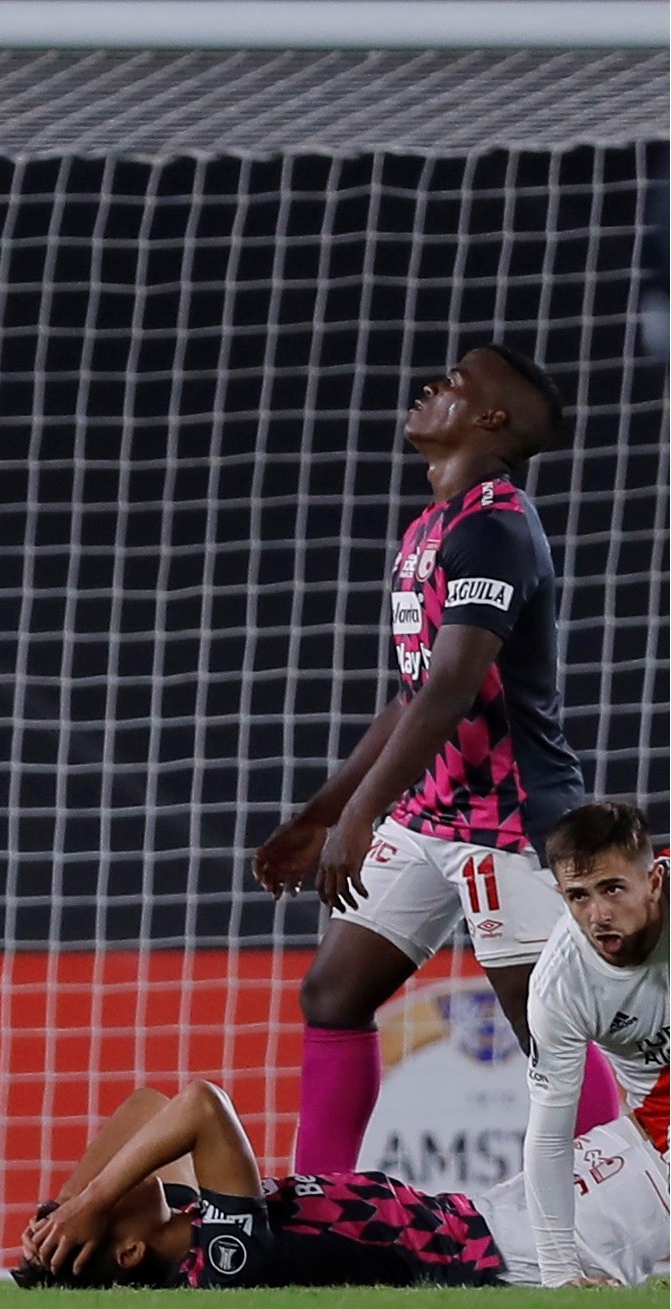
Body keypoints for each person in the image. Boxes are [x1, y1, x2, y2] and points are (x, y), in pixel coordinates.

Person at [251, 346, 621, 1172]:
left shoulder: (498, 526)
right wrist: (319, 815)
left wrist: (358, 816)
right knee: (334, 994)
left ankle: (623, 1216)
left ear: (491, 420)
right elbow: (411, 694)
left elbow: (453, 685)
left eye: (455, 382)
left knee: (544, 1027)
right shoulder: (433, 527)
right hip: (430, 816)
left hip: (509, 822)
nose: (431, 387)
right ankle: (324, 1208)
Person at [16, 1080, 667, 1289]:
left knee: (651, 1125)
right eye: (104, 1204)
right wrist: (93, 1203)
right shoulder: (223, 1261)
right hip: (509, 1255)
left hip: (484, 1212)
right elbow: (198, 1107)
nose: (110, 1181)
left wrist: (63, 1226)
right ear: (130, 1252)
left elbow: (141, 1107)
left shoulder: (171, 1220)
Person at [523, 799, 669, 1286]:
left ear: (652, 882)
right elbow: (548, 1136)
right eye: (578, 896)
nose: (598, 914)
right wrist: (559, 1271)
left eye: (612, 889)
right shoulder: (562, 986)